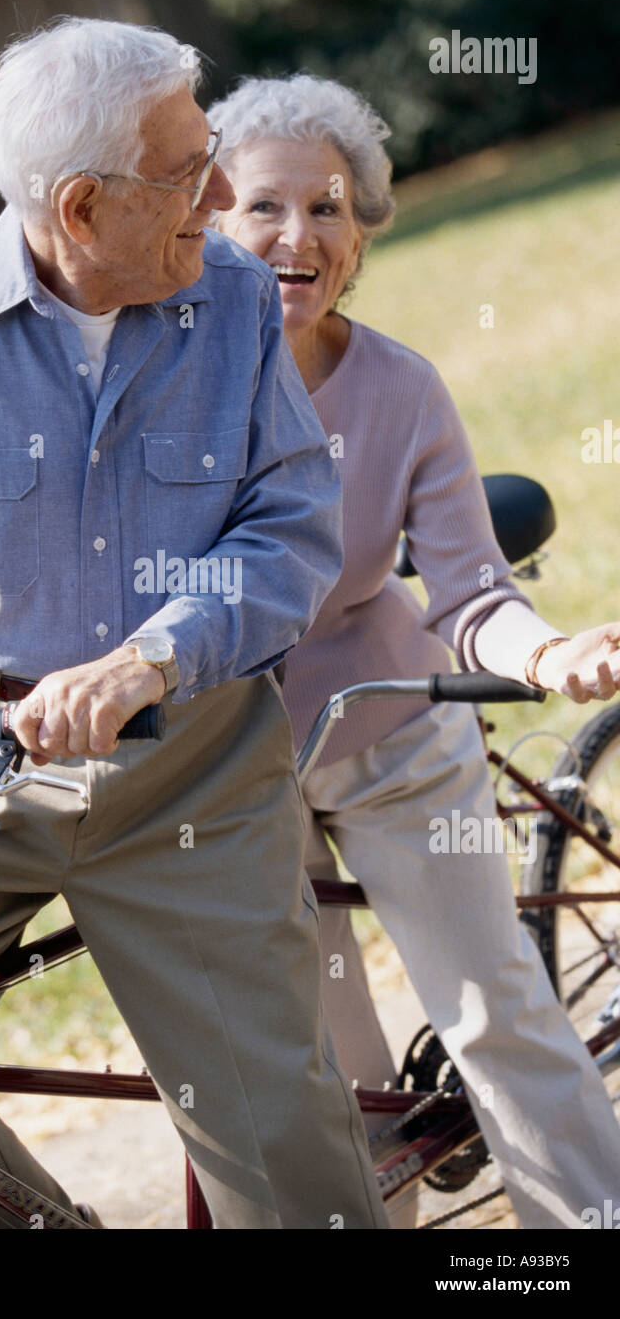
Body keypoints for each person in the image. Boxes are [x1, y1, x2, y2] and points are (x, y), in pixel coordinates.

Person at [0, 24, 390, 1230]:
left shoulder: (240, 302)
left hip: (192, 769)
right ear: (83, 205)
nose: (223, 196)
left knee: (284, 1165)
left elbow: (293, 525)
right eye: (188, 170)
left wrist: (151, 651)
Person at [209, 72, 620, 1229]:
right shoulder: (164, 389)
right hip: (235, 769)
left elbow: (474, 588)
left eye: (329, 208)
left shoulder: (400, 388)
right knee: (329, 1070)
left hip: (393, 724)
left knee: (496, 1010)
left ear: (363, 233)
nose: (300, 235)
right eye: (263, 207)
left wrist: (548, 658)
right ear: (204, 224)